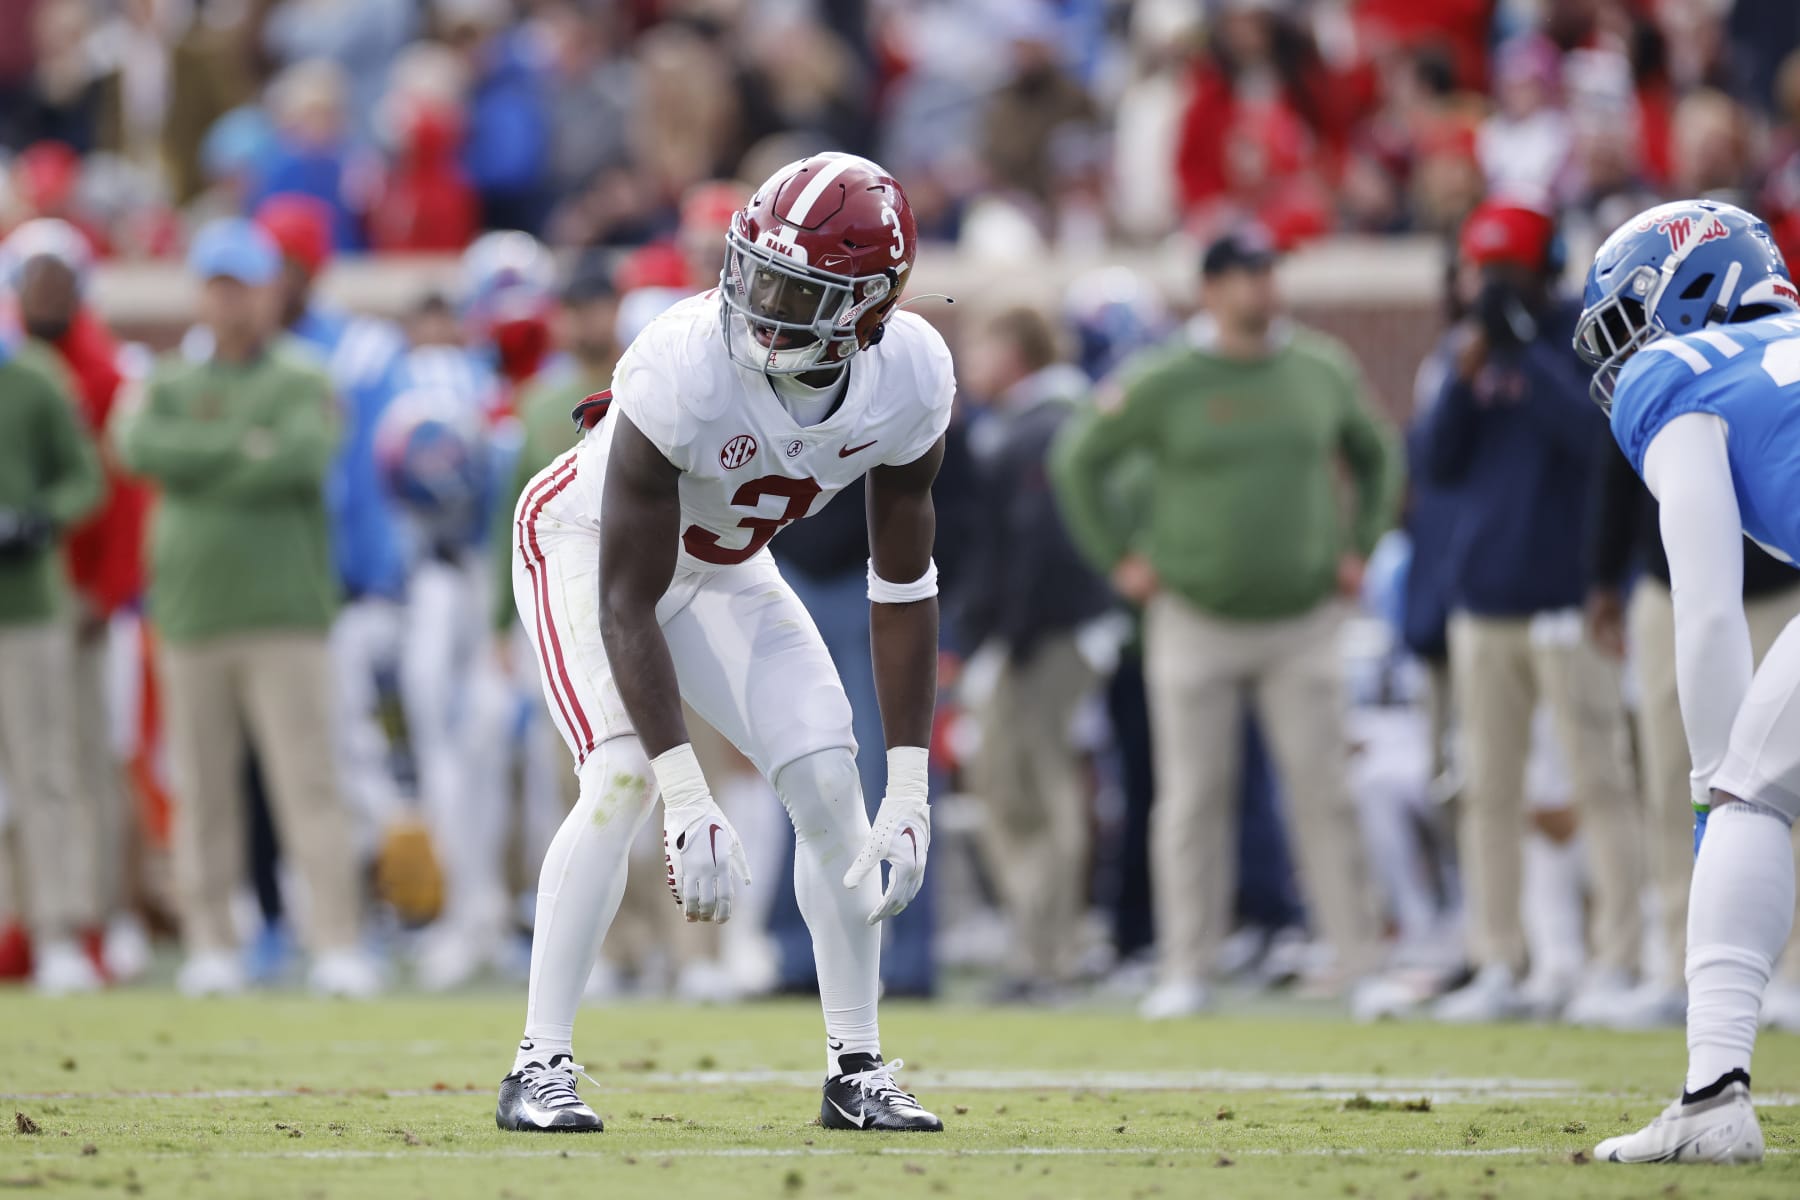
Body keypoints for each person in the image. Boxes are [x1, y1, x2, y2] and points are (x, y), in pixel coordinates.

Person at [495, 152, 949, 1134]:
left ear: (868, 312)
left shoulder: (910, 377)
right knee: (620, 779)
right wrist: (688, 793)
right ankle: (539, 1062)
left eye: (797, 290)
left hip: (724, 566)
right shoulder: (682, 363)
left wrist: (909, 788)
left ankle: (856, 1064)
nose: (759, 301)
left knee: (834, 782)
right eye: (756, 269)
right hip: (585, 545)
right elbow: (626, 600)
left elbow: (904, 580)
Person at [1052, 226, 1398, 1020]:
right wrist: (1119, 559)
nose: (1262, 287)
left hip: (1304, 617)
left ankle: (1358, 961)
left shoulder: (1319, 368)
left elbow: (1377, 452)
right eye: (1245, 274)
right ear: (1209, 289)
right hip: (1193, 616)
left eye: (1268, 271)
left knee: (1324, 793)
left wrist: (1362, 545)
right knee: (1190, 800)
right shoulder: (1167, 378)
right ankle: (1186, 966)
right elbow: (1080, 458)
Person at [1572, 198, 1800, 1165]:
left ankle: (1712, 1098)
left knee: (1752, 793)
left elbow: (1706, 600)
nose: (1623, 358)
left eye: (1629, 321)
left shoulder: (1680, 372)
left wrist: (1715, 783)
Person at [112, 218, 378, 999]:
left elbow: (299, 456)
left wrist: (205, 457)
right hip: (192, 613)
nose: (231, 303)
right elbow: (137, 449)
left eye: (244, 286)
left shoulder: (304, 376)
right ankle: (211, 940)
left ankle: (335, 939)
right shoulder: (167, 382)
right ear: (202, 293)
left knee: (310, 781)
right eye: (219, 287)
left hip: (288, 611)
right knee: (202, 787)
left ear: (269, 290)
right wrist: (243, 447)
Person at [1417, 200, 1645, 1024]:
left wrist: (1527, 355)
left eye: (1504, 267)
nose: (1491, 283)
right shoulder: (1466, 349)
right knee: (1489, 790)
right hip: (1484, 600)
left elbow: (1595, 441)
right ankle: (1497, 958)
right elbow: (1436, 461)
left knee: (1601, 782)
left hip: (1564, 596)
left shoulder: (1583, 340)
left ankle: (1619, 958)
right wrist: (1470, 371)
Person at [2, 218, 151, 983]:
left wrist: (109, 588)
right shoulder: (25, 369)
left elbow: (121, 491)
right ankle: (30, 919)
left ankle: (101, 916)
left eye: (58, 280)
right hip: (42, 596)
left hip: (79, 598)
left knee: (88, 760)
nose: (45, 295)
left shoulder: (101, 372)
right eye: (34, 280)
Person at [957, 305, 1113, 997]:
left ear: (1014, 348)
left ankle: (1047, 950)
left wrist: (1002, 637)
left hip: (1040, 639)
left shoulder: (1040, 428)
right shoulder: (1038, 424)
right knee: (1025, 790)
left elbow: (1035, 546)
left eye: (981, 344)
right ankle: (1043, 944)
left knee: (1033, 790)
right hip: (1044, 634)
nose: (971, 362)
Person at [0, 272, 102, 994]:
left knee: (45, 771)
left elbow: (84, 479)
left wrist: (37, 518)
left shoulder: (36, 380)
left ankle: (59, 929)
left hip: (28, 606)